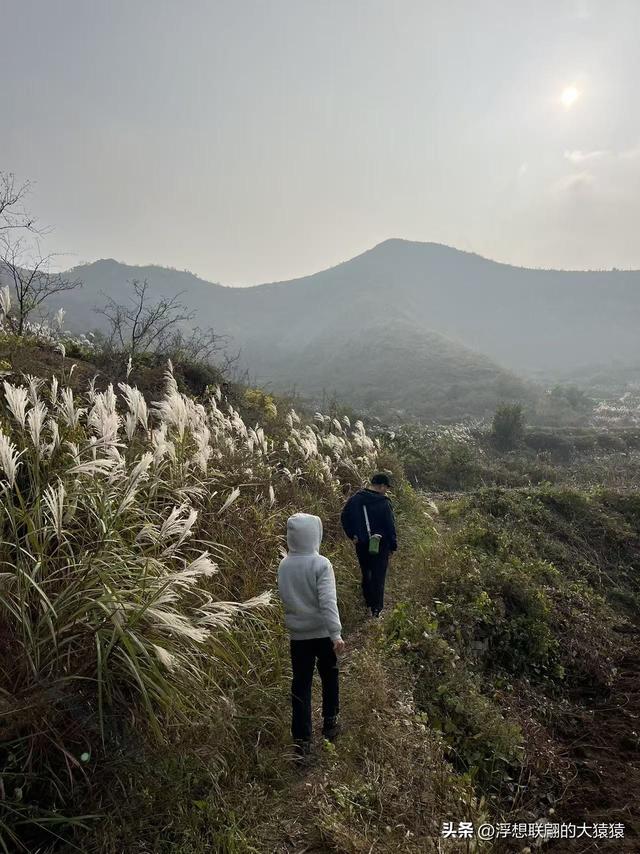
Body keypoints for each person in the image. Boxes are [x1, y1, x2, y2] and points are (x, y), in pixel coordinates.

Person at [277, 512, 345, 758]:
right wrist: (335, 633)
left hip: (298, 636)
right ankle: (330, 721)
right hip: (323, 634)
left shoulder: (284, 565)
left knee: (301, 685)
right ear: (314, 534)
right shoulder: (321, 564)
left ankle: (302, 740)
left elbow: (286, 598)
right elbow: (328, 601)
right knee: (330, 675)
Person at [340, 472, 398, 617]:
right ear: (382, 486)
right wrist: (393, 545)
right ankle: (376, 609)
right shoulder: (384, 502)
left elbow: (344, 517)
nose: (386, 490)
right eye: (386, 487)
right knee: (378, 575)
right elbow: (390, 525)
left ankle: (368, 604)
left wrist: (352, 535)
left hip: (361, 543)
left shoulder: (355, 499)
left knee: (366, 573)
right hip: (380, 544)